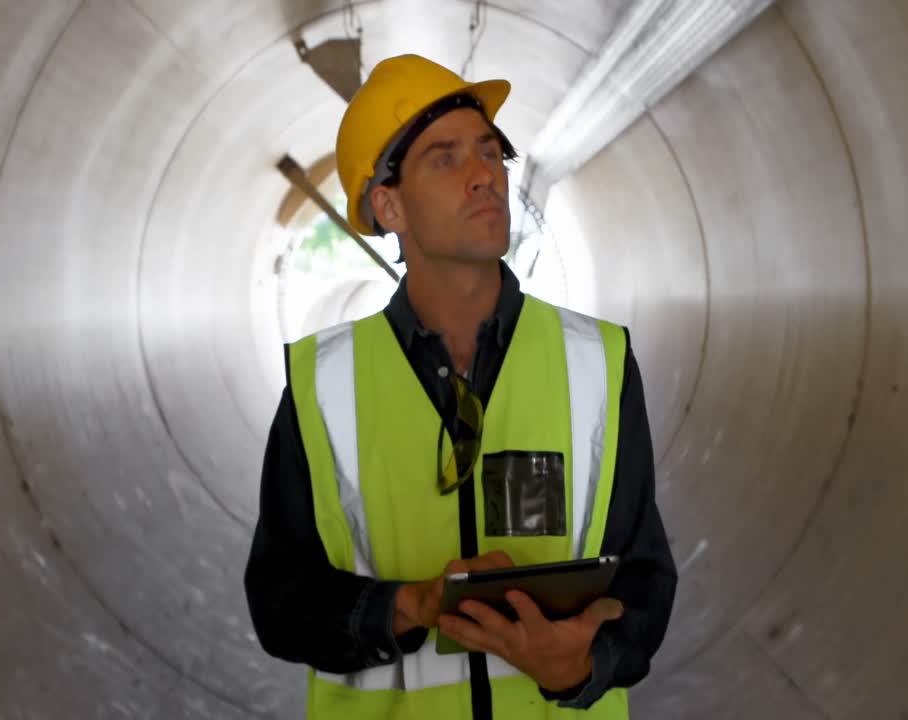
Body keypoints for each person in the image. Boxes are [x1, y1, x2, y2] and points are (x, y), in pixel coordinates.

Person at [245, 54, 676, 719]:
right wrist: (408, 606)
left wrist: (584, 665)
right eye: (444, 159)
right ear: (388, 205)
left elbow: (644, 579)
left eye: (489, 152)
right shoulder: (322, 385)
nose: (484, 176)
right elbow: (281, 604)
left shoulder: (598, 361)